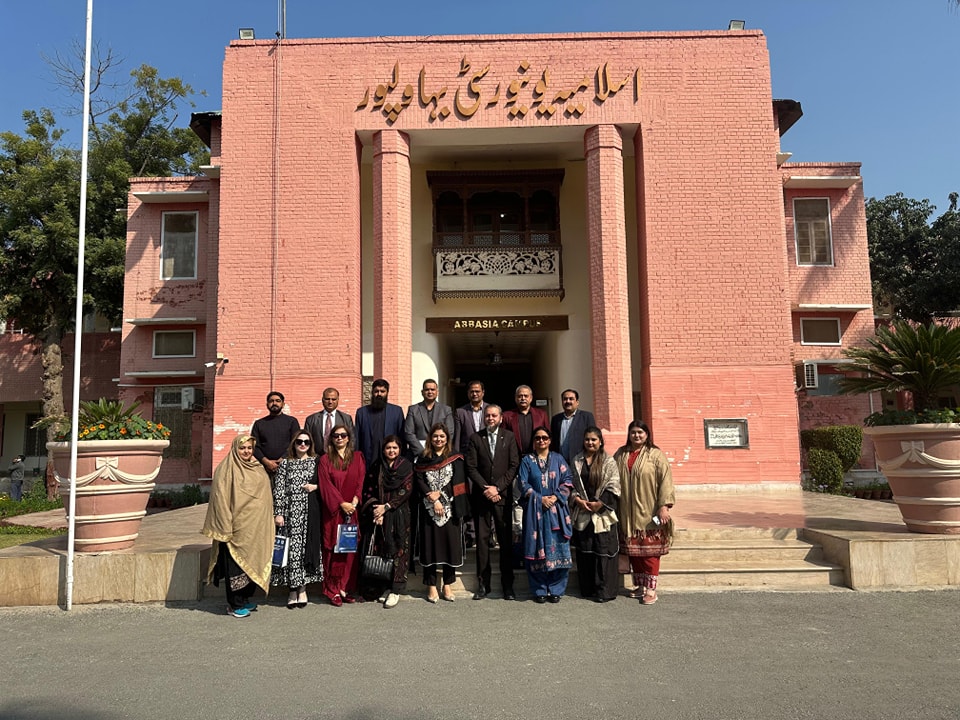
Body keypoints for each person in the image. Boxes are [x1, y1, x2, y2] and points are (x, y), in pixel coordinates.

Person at [202, 435, 275, 618]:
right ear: (235, 449)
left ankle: (245, 598)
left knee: (252, 563)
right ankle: (235, 604)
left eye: (249, 448)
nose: (246, 451)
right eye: (242, 448)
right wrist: (225, 526)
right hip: (236, 529)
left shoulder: (257, 467)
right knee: (235, 567)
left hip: (256, 529)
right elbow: (220, 500)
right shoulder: (226, 469)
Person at [614, 420, 675, 606]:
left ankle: (651, 589)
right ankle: (640, 585)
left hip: (649, 512)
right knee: (634, 552)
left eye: (640, 432)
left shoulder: (655, 455)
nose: (636, 435)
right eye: (633, 432)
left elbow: (665, 481)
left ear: (647, 434)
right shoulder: (621, 454)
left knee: (650, 553)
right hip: (627, 512)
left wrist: (664, 506)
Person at [466, 404, 520, 600]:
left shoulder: (509, 437)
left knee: (505, 541)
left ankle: (508, 586)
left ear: (500, 418)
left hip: (502, 497)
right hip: (482, 497)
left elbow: (514, 465)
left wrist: (497, 488)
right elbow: (471, 467)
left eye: (494, 415)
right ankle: (483, 584)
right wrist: (486, 489)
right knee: (482, 541)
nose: (490, 418)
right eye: (487, 415)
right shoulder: (475, 438)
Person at [517, 426, 573, 603]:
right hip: (535, 513)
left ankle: (556, 589)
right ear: (534, 441)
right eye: (537, 438)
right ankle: (539, 589)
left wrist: (555, 497)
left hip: (556, 512)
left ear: (550, 440)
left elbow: (567, 480)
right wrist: (540, 499)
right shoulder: (527, 461)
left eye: (544, 438)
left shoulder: (558, 459)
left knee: (559, 549)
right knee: (535, 549)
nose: (541, 440)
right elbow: (522, 483)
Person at [415, 423, 467, 603]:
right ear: (430, 438)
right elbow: (419, 479)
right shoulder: (423, 458)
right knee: (430, 546)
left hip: (450, 509)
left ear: (447, 438)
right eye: (435, 436)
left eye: (442, 436)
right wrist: (432, 497)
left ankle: (447, 584)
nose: (438, 439)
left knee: (449, 546)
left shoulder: (455, 457)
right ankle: (430, 585)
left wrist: (441, 496)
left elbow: (458, 482)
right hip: (428, 508)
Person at [271, 432, 323, 609]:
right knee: (291, 552)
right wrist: (278, 513)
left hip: (310, 513)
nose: (303, 445)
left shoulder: (316, 461)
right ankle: (292, 590)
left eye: (306, 442)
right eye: (299, 441)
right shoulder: (286, 463)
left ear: (311, 444)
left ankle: (303, 589)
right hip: (290, 513)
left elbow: (326, 483)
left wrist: (316, 486)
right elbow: (279, 489)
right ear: (294, 444)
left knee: (305, 550)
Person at [360, 435, 413, 609]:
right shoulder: (378, 466)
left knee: (399, 549)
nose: (391, 451)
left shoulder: (405, 466)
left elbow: (406, 490)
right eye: (388, 448)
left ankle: (396, 589)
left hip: (399, 514)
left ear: (400, 449)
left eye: (394, 448)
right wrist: (376, 510)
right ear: (383, 450)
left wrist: (387, 506)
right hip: (380, 516)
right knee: (384, 550)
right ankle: (385, 586)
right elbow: (369, 489)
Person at [316, 423, 366, 606]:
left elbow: (360, 481)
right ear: (331, 438)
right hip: (334, 513)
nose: (339, 438)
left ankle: (345, 587)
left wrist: (355, 501)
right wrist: (341, 503)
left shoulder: (358, 457)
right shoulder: (325, 460)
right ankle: (332, 590)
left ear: (348, 438)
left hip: (351, 511)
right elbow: (325, 486)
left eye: (343, 435)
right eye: (336, 435)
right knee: (333, 551)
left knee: (349, 549)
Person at [570, 426, 621, 602]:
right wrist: (578, 500)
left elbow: (614, 485)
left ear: (600, 442)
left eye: (593, 439)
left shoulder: (608, 461)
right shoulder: (576, 460)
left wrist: (600, 503)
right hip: (584, 512)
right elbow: (571, 485)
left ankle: (604, 591)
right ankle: (588, 588)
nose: (590, 442)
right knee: (586, 549)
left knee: (602, 550)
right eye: (587, 439)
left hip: (602, 512)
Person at [251, 391, 301, 480]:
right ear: (267, 404)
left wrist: (281, 460)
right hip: (264, 469)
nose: (274, 403)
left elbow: (295, 443)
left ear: (283, 404)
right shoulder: (259, 424)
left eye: (278, 401)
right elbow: (254, 446)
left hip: (287, 468)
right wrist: (267, 462)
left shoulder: (292, 422)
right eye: (271, 401)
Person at [354, 378, 406, 464]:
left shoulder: (397, 411)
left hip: (391, 459)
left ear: (387, 393)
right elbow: (357, 438)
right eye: (376, 391)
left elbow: (402, 437)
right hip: (368, 458)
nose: (379, 394)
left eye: (382, 391)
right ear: (372, 392)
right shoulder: (362, 412)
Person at [404, 378, 455, 458]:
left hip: (440, 454)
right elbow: (408, 432)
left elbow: (450, 433)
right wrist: (422, 451)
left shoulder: (446, 410)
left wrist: (438, 451)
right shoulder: (413, 409)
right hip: (419, 454)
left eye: (432, 389)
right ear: (422, 392)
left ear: (437, 392)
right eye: (427, 389)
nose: (430, 392)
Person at [550, 389, 597, 465]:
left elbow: (593, 439)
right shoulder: (556, 419)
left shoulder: (586, 417)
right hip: (561, 464)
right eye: (565, 399)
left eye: (571, 399)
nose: (568, 401)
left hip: (581, 462)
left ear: (577, 402)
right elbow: (553, 442)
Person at [502, 384, 549, 456]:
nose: (523, 398)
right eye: (520, 396)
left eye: (526, 396)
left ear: (531, 398)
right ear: (515, 398)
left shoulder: (542, 414)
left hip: (537, 456)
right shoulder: (506, 416)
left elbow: (548, 436)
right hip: (515, 457)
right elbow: (503, 438)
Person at [454, 380, 488, 454]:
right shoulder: (460, 412)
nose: (474, 394)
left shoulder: (491, 410)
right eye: (472, 391)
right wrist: (456, 456)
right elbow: (457, 438)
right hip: (467, 453)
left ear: (483, 393)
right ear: (468, 393)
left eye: (477, 391)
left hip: (487, 452)